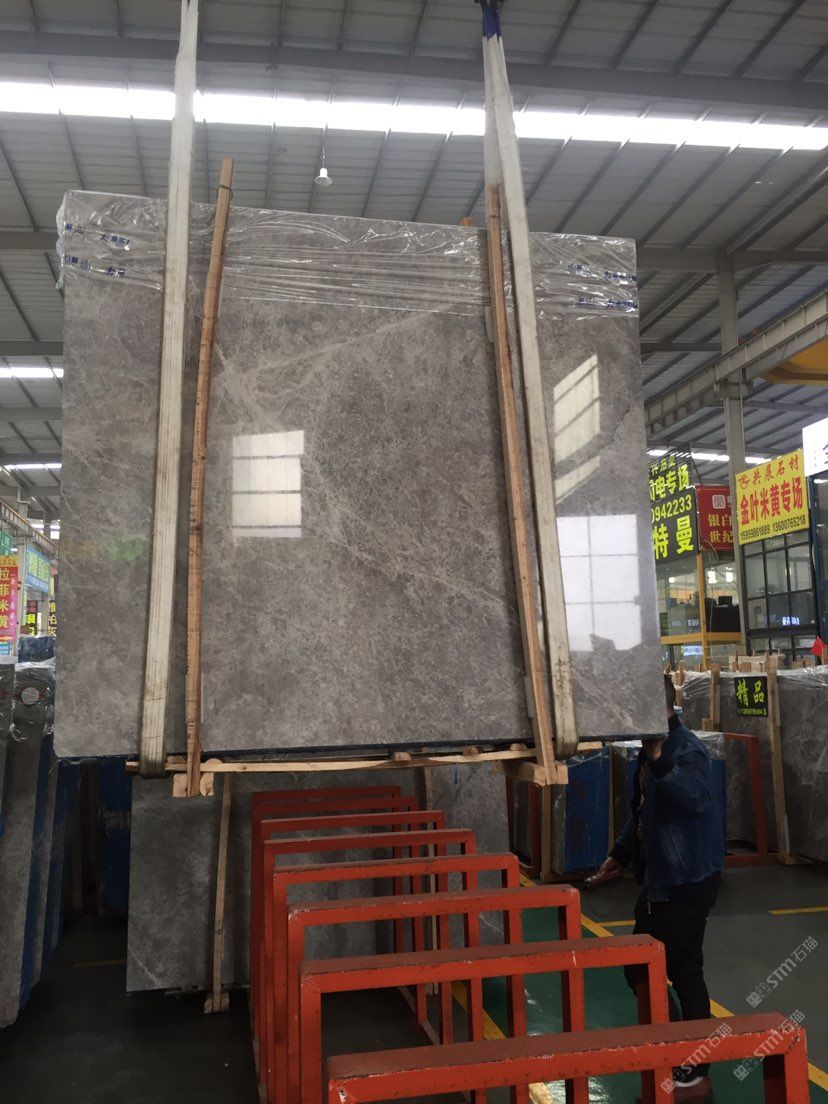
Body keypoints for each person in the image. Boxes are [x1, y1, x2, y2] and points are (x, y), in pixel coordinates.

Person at [588, 674, 725, 1092]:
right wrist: (620, 854)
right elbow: (644, 811)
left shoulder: (687, 750)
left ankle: (697, 1064)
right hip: (659, 880)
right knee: (639, 967)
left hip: (687, 881)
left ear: (657, 707)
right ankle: (675, 1042)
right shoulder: (650, 751)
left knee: (685, 969)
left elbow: (696, 799)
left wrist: (661, 761)